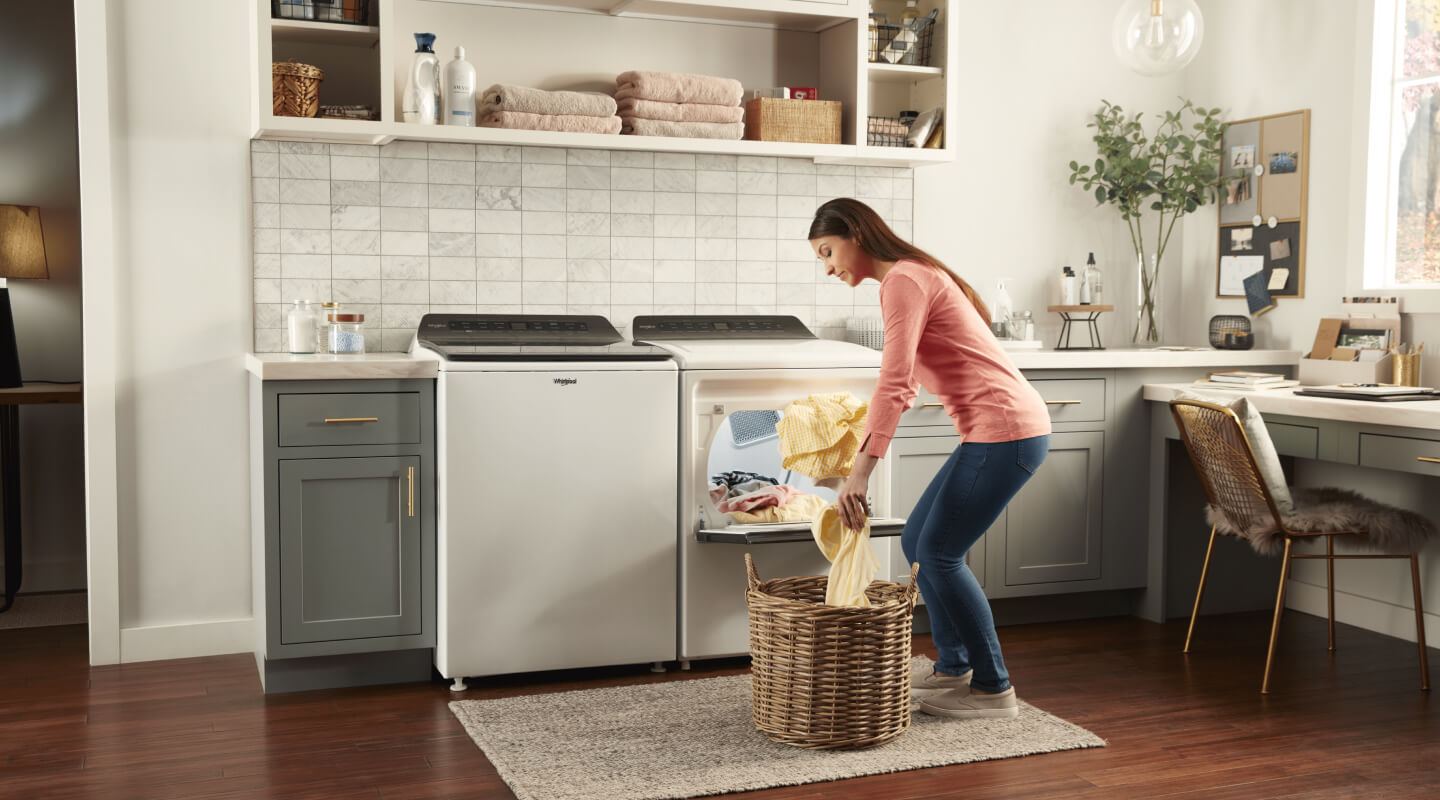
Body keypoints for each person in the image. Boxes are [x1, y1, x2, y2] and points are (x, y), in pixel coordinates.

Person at [808, 198, 1052, 720]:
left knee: (938, 552)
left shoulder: (903, 280)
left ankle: (993, 689)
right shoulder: (911, 277)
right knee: (921, 543)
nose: (828, 267)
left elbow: (894, 384)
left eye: (828, 252)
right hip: (997, 432)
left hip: (1006, 432)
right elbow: (909, 379)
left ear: (854, 234)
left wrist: (858, 474)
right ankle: (954, 668)